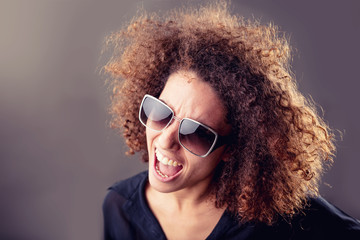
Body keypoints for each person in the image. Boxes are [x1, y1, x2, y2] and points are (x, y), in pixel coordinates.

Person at [102, 2, 360, 239]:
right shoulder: (120, 207)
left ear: (231, 148)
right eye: (161, 113)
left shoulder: (273, 220)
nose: (167, 141)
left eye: (197, 133)